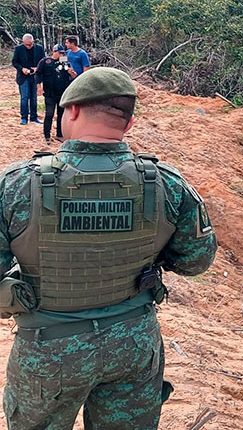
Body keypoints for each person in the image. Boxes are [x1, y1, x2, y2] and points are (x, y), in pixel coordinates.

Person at [0, 67, 218, 428]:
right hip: (133, 342)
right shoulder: (167, 184)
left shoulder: (17, 184)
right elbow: (196, 261)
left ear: (71, 110)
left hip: (49, 348)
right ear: (128, 123)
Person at [35, 44, 72, 144]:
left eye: (62, 53)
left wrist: (70, 72)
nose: (61, 55)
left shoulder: (64, 61)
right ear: (54, 52)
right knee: (49, 114)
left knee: (61, 114)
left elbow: (70, 74)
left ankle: (59, 134)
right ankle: (47, 135)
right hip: (50, 93)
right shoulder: (45, 62)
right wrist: (39, 86)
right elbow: (38, 74)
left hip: (62, 92)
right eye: (60, 53)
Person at [11, 34, 45, 125]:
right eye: (26, 45)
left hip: (35, 76)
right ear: (23, 43)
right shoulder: (19, 49)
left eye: (30, 44)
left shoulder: (39, 48)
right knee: (24, 97)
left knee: (34, 98)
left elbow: (43, 61)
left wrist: (37, 68)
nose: (28, 47)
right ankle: (24, 117)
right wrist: (22, 69)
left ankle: (34, 117)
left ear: (33, 42)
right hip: (23, 76)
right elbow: (14, 62)